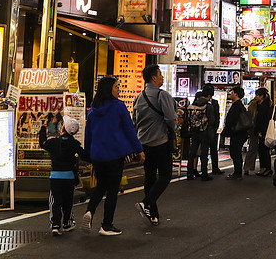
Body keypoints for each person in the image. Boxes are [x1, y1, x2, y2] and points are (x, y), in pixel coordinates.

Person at [81, 76, 144, 236]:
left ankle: (90, 211)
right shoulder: (119, 107)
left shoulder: (93, 109)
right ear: (109, 89)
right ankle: (106, 225)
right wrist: (139, 149)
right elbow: (129, 130)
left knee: (101, 185)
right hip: (114, 154)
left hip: (97, 155)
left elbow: (88, 135)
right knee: (112, 189)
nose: (119, 89)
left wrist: (89, 153)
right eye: (116, 87)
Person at [133, 63, 178, 225]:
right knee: (166, 175)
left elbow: (135, 122)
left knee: (150, 178)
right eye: (160, 75)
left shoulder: (138, 97)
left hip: (143, 144)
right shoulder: (162, 95)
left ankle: (153, 215)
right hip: (160, 143)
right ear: (153, 78)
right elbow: (171, 120)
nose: (162, 78)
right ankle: (146, 203)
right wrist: (173, 128)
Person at [39, 114, 86, 234]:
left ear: (63, 128)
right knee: (67, 201)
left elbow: (42, 142)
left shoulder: (54, 142)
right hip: (69, 177)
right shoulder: (75, 144)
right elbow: (84, 155)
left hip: (55, 177)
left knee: (55, 201)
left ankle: (55, 225)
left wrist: (43, 128)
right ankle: (67, 223)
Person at [185, 86, 216, 180]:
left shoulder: (192, 105)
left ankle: (189, 173)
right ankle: (204, 174)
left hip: (194, 132)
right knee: (204, 153)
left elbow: (188, 119)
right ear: (209, 96)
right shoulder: (208, 106)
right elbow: (212, 120)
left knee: (192, 153)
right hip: (204, 132)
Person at [220, 87, 249, 179]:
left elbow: (231, 121)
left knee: (235, 152)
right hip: (241, 133)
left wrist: (226, 132)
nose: (231, 94)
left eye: (232, 92)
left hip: (237, 133)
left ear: (236, 94)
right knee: (236, 152)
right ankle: (238, 172)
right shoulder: (240, 105)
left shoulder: (236, 106)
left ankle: (237, 173)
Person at [249, 87, 273, 176]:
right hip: (261, 130)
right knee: (262, 150)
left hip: (263, 131)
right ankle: (263, 168)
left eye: (257, 95)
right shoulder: (260, 105)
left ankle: (267, 168)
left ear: (262, 96)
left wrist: (260, 131)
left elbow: (264, 121)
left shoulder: (265, 106)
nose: (256, 97)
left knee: (264, 150)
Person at [207, 86, 222, 176]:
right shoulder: (202, 101)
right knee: (203, 150)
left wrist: (215, 128)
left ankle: (215, 168)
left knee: (213, 149)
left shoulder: (215, 103)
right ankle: (202, 170)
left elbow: (217, 117)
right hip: (204, 130)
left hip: (212, 130)